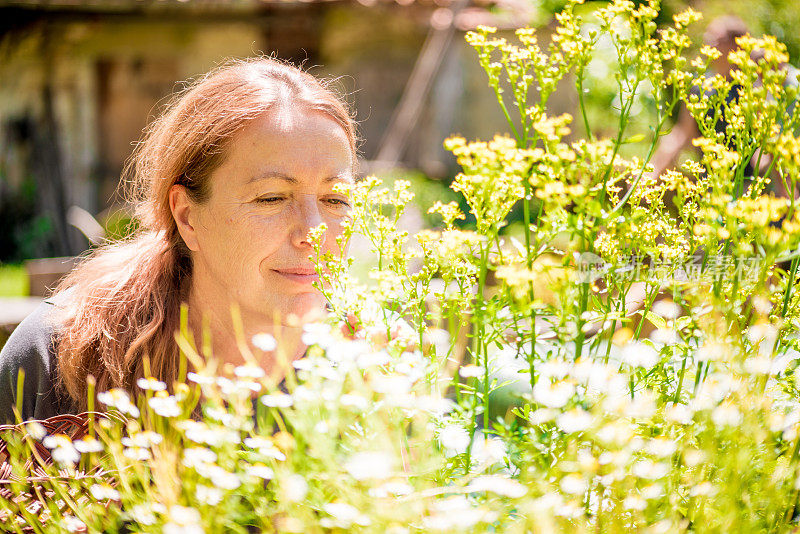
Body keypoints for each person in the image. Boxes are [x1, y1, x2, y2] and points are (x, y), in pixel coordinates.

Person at [0, 57, 357, 424]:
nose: (314, 234)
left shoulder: (377, 371)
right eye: (272, 198)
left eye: (335, 199)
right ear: (186, 216)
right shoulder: (57, 357)